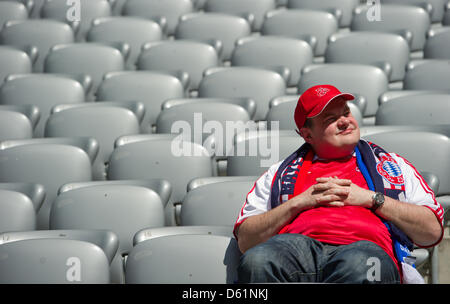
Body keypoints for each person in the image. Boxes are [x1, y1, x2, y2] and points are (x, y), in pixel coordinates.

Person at [233, 84, 444, 284]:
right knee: (257, 260)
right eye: (331, 118)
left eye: (346, 112)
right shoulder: (278, 173)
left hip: (364, 249)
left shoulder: (392, 164)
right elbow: (246, 241)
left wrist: (372, 199)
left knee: (361, 265)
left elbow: (432, 230)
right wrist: (297, 203)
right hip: (296, 249)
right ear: (307, 134)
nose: (344, 121)